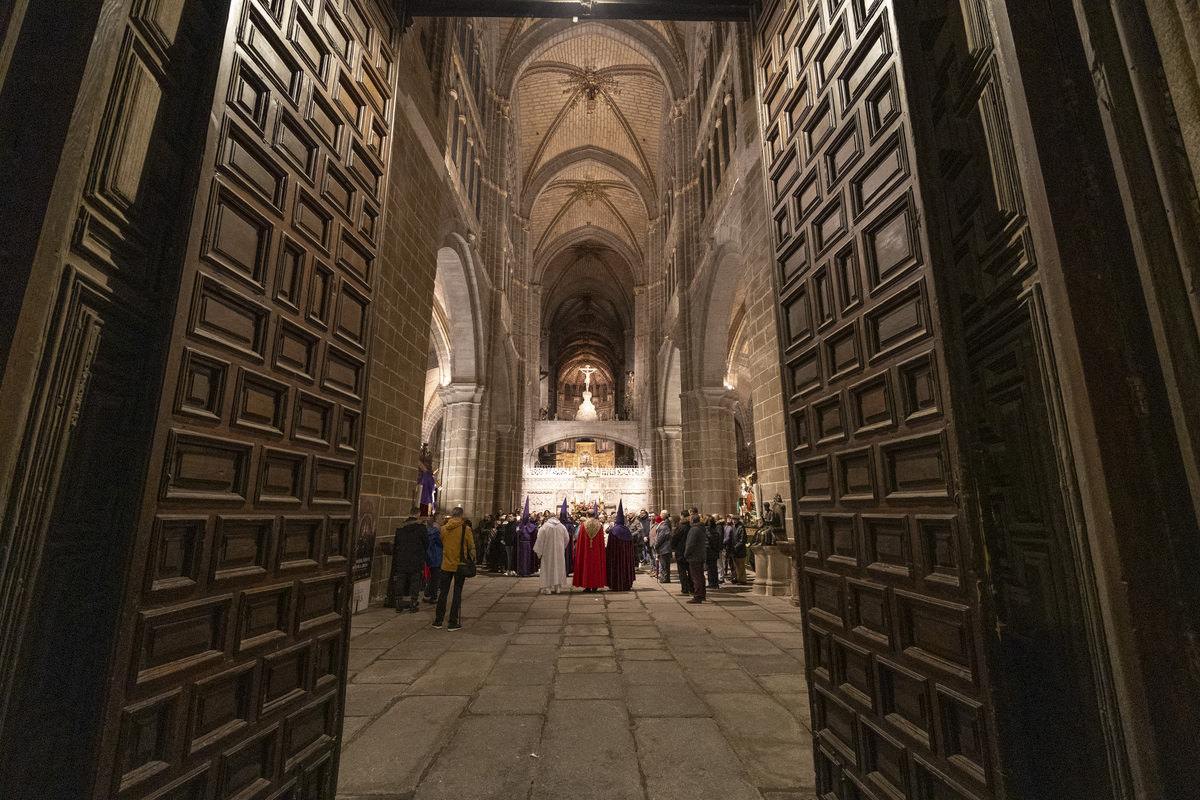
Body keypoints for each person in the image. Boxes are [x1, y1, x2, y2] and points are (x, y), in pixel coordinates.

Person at [433, 507, 474, 631]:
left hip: (446, 563)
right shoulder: (465, 529)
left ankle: (438, 621)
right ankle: (452, 621)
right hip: (459, 564)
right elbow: (471, 545)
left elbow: (442, 542)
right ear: (461, 515)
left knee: (443, 592)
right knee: (457, 592)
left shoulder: (444, 528)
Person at [391, 506, 428, 614]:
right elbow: (427, 543)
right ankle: (413, 604)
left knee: (400, 580)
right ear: (418, 514)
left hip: (402, 557)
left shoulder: (401, 527)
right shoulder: (421, 528)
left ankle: (398, 604)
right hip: (416, 558)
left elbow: (396, 543)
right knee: (415, 581)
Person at [534, 509, 570, 594]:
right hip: (559, 552)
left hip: (547, 551)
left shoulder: (545, 526)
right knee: (558, 568)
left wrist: (539, 551)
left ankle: (547, 588)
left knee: (547, 568)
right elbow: (567, 538)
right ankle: (558, 587)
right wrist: (562, 547)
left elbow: (540, 539)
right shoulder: (561, 526)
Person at [573, 505, 607, 593]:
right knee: (595, 567)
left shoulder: (584, 525)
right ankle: (595, 586)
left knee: (587, 567)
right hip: (596, 551)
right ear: (595, 514)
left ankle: (587, 586)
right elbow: (601, 540)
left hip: (586, 551)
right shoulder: (599, 525)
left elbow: (580, 540)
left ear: (587, 515)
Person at [605, 501, 637, 592]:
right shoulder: (627, 530)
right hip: (625, 557)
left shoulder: (614, 530)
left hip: (615, 557)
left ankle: (615, 584)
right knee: (624, 567)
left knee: (616, 568)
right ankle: (626, 584)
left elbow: (610, 546)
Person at [685, 510, 708, 604]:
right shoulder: (701, 528)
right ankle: (702, 594)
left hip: (694, 556)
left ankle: (698, 595)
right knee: (700, 576)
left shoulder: (694, 529)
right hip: (700, 555)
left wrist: (686, 554)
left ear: (692, 520)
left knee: (696, 577)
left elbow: (690, 544)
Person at [422, 514, 443, 605]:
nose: (443, 520)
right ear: (437, 519)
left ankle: (427, 594)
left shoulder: (430, 529)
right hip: (436, 556)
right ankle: (433, 597)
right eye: (442, 518)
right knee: (436, 578)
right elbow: (440, 543)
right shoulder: (436, 530)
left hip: (431, 556)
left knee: (433, 576)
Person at [671, 513, 693, 596]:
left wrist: (673, 546)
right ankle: (692, 588)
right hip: (689, 551)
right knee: (690, 571)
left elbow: (674, 538)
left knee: (682, 571)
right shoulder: (690, 527)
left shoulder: (681, 528)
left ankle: (684, 589)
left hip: (681, 551)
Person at [516, 499, 538, 577]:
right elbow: (518, 533)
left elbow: (533, 533)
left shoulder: (531, 525)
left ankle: (526, 571)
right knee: (521, 558)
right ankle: (521, 571)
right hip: (521, 544)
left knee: (527, 558)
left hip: (528, 544)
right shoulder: (520, 525)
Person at [654, 511, 673, 583]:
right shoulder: (663, 525)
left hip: (665, 547)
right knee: (663, 563)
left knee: (665, 564)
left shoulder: (664, 526)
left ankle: (666, 577)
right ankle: (665, 576)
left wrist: (656, 545)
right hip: (663, 547)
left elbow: (661, 537)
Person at [730, 514, 749, 584]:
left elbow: (742, 540)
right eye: (732, 520)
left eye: (734, 520)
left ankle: (742, 579)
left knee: (740, 566)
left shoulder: (741, 528)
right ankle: (737, 578)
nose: (733, 521)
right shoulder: (733, 527)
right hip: (734, 549)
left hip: (740, 549)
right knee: (736, 565)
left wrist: (736, 546)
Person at [705, 515, 722, 589]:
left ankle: (712, 583)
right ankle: (715, 582)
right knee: (714, 567)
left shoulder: (707, 530)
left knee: (710, 568)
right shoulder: (715, 529)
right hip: (714, 551)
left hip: (710, 551)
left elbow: (710, 540)